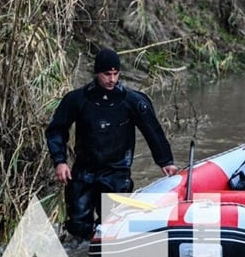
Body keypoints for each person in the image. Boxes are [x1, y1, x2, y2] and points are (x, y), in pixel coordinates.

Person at [46, 48, 179, 242]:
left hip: (117, 172)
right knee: (78, 227)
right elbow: (56, 129)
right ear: (97, 73)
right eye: (107, 74)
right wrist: (60, 161)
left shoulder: (133, 101)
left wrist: (165, 161)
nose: (112, 79)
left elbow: (153, 132)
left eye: (116, 74)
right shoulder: (77, 100)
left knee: (113, 229)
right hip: (84, 171)